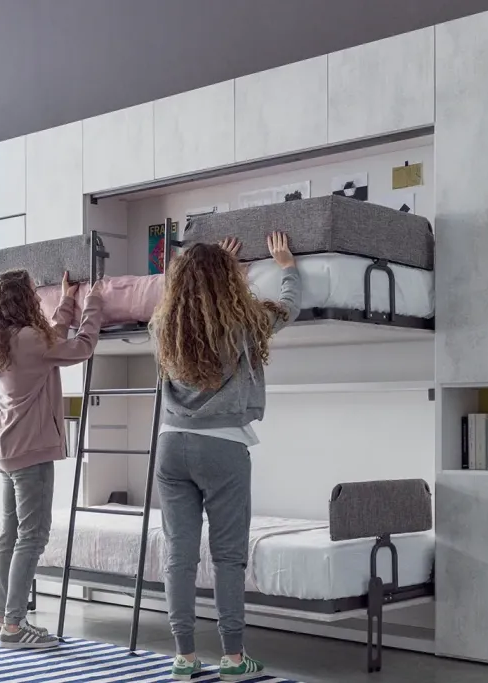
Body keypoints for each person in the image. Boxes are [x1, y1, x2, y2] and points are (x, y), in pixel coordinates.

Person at [149, 233, 301, 681]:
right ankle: (233, 659)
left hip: (170, 445)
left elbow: (191, 301)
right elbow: (288, 307)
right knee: (228, 556)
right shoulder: (244, 322)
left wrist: (214, 267)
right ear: (228, 282)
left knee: (179, 555)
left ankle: (184, 657)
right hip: (222, 446)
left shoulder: (163, 325)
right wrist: (287, 267)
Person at [0, 269, 103, 649]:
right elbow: (80, 347)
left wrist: (66, 301)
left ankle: (3, 617)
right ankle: (16, 625)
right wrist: (93, 303)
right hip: (31, 449)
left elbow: (52, 339)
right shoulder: (31, 339)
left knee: (10, 535)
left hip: (8, 446)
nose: (36, 295)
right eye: (32, 292)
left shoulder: (5, 339)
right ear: (24, 299)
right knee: (32, 535)